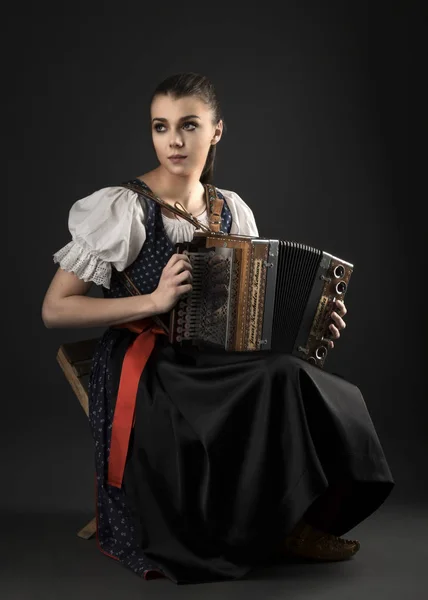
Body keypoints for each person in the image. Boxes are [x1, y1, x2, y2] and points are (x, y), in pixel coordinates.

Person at [42, 72, 395, 585]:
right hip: (149, 365)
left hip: (212, 358)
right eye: (161, 127)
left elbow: (254, 316)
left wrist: (314, 325)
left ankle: (292, 519)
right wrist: (155, 300)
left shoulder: (231, 209)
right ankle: (266, 526)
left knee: (291, 375)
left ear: (217, 132)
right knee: (268, 381)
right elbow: (55, 309)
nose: (175, 141)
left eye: (189, 125)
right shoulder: (122, 208)